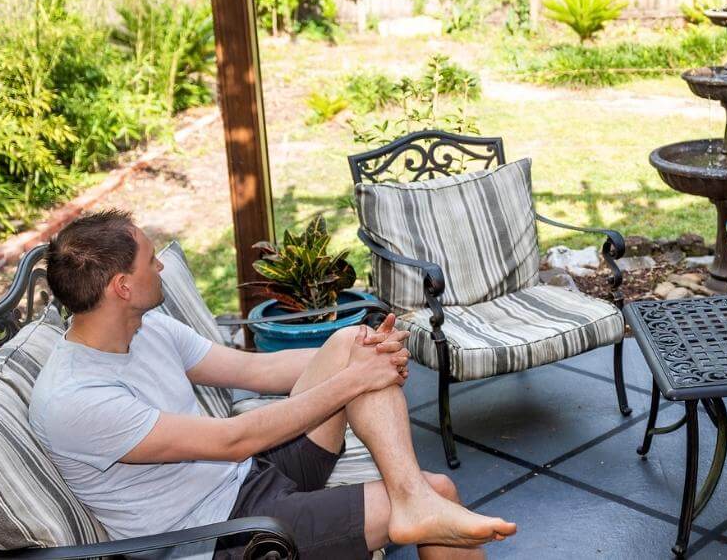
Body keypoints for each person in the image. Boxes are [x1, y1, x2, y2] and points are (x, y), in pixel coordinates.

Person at [28, 209, 516, 559]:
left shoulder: (144, 328)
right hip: (220, 534)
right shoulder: (76, 399)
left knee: (355, 342)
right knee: (442, 489)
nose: (161, 269)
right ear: (122, 288)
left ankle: (412, 501)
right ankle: (416, 499)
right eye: (151, 261)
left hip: (246, 477)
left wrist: (368, 355)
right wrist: (352, 381)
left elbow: (256, 371)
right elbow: (230, 439)